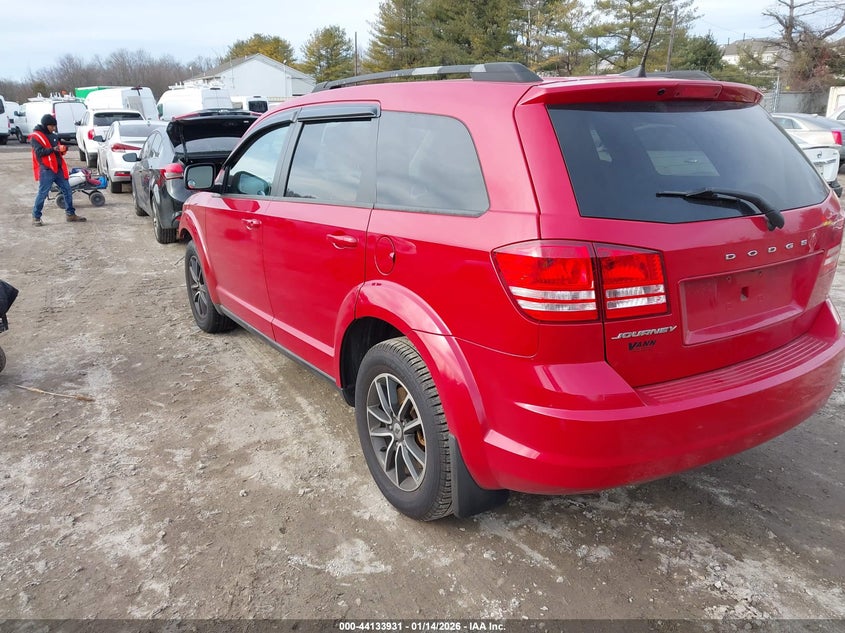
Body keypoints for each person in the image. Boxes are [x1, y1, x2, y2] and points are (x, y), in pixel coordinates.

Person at [30, 114, 86, 226]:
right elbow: (39, 152)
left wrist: (62, 150)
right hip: (46, 169)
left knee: (67, 190)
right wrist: (54, 149)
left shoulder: (53, 136)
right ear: (46, 125)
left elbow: (57, 150)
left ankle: (70, 214)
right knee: (43, 193)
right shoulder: (35, 137)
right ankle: (36, 217)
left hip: (58, 168)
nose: (54, 128)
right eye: (52, 126)